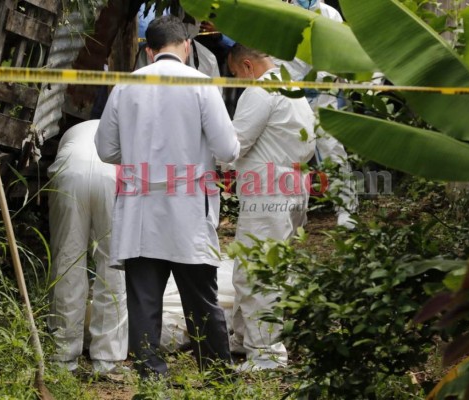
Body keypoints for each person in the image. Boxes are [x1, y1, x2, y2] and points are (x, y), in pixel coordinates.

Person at [95, 15, 240, 378]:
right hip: (188, 206)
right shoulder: (202, 84)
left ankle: (152, 378)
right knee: (201, 295)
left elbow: (106, 150)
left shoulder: (125, 86)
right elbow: (228, 148)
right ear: (187, 46)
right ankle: (218, 374)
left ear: (148, 50)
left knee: (143, 299)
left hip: (139, 206)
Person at [226, 44, 316, 371]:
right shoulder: (290, 84)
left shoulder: (259, 91)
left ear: (247, 66)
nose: (238, 81)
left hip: (268, 188)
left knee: (256, 270)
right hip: (291, 183)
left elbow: (235, 143)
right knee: (263, 266)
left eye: (236, 74)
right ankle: (242, 337)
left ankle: (265, 353)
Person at [48, 120, 128, 376]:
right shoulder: (126, 127)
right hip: (112, 176)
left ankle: (63, 357)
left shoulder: (73, 132)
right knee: (113, 265)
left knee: (68, 262)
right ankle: (106, 360)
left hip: (70, 173)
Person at [276, 0, 359, 229]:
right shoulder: (280, 10)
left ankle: (346, 209)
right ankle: (288, 209)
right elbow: (275, 56)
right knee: (288, 150)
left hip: (322, 93)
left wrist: (320, 79)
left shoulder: (328, 13)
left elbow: (337, 51)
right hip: (290, 93)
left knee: (331, 148)